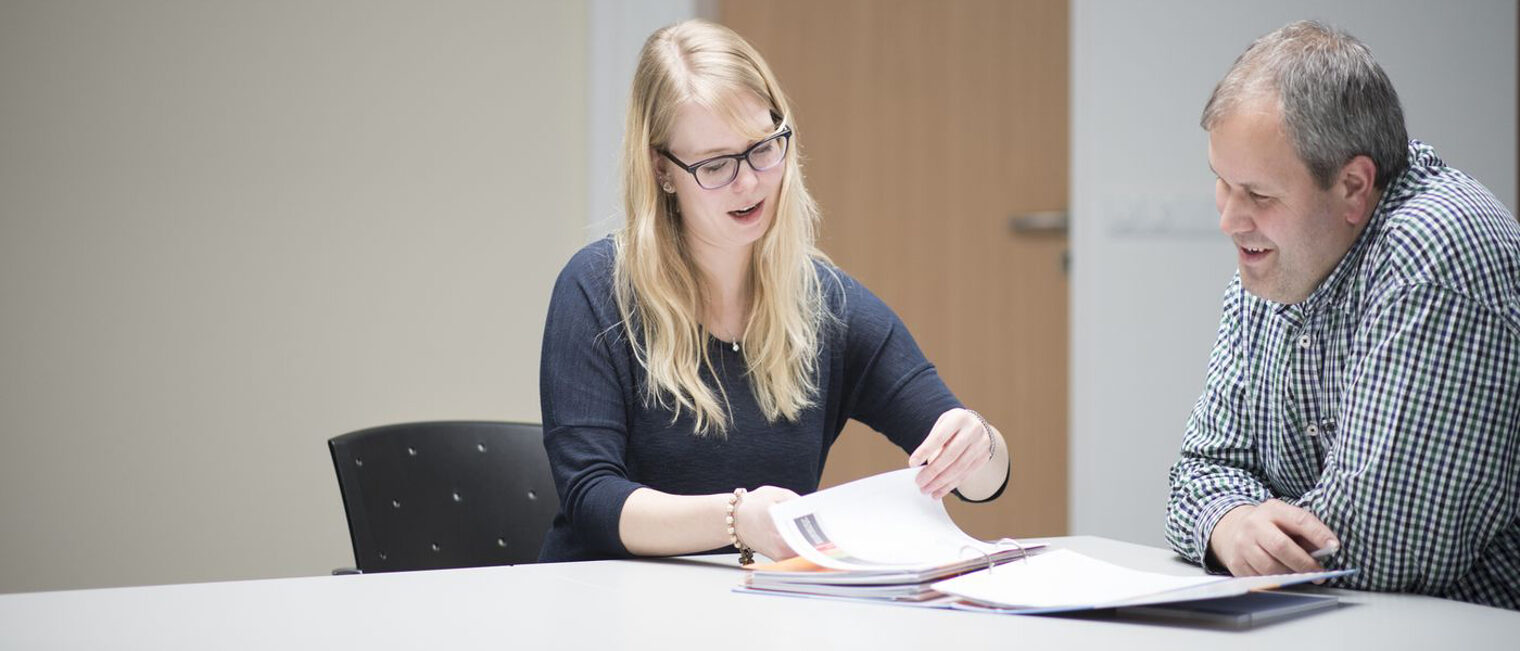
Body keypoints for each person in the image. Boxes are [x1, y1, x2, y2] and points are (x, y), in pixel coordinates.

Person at [538, 19, 1010, 564]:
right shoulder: (598, 290)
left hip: (761, 607)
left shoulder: (827, 304)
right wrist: (738, 519)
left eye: (763, 148)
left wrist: (977, 446)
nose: (749, 182)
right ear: (661, 170)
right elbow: (592, 499)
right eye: (715, 164)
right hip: (609, 603)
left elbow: (985, 483)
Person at [1164, 20, 1519, 609]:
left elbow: (1384, 548)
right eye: (1221, 184)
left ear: (1354, 186)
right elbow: (1199, 471)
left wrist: (1253, 527)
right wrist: (1230, 524)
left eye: (1259, 194)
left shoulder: (1436, 254)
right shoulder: (1276, 263)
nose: (1229, 219)